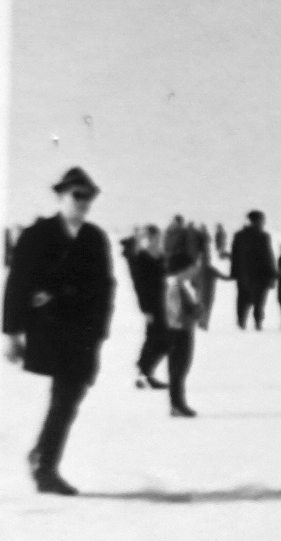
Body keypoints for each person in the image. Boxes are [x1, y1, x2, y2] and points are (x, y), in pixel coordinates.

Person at [3, 168, 116, 495]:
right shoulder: (37, 234)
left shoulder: (94, 237)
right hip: (50, 328)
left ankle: (43, 456)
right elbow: (18, 283)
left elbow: (105, 286)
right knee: (66, 395)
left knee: (69, 395)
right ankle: (45, 466)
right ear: (61, 196)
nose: (83, 202)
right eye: (77, 195)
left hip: (84, 331)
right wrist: (11, 332)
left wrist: (100, 330)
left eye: (88, 196)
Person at [121, 225, 172, 390]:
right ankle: (145, 373)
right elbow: (139, 285)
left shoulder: (160, 255)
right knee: (158, 339)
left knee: (160, 339)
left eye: (158, 237)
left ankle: (144, 372)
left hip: (164, 302)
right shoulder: (142, 257)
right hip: (152, 304)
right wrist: (146, 309)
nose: (157, 240)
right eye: (154, 237)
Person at [160, 243, 202, 418]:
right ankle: (177, 404)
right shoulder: (175, 288)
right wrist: (196, 312)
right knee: (178, 370)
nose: (194, 270)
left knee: (179, 369)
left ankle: (178, 404)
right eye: (192, 267)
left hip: (181, 331)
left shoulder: (179, 286)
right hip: (179, 333)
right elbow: (177, 316)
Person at [230, 210, 277, 330]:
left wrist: (234, 273)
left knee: (243, 299)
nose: (264, 222)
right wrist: (272, 274)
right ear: (258, 221)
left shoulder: (239, 236)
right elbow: (267, 256)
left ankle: (241, 323)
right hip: (260, 275)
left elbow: (234, 256)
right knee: (259, 301)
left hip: (243, 274)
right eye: (262, 220)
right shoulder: (263, 236)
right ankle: (258, 323)